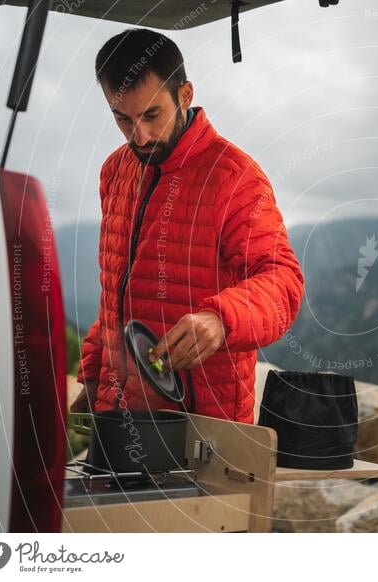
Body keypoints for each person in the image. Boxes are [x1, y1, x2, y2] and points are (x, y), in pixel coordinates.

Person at [70, 28, 304, 423]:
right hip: (120, 414)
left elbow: (283, 282)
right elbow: (114, 293)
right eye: (122, 119)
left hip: (206, 425)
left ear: (185, 95)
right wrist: (94, 377)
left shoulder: (235, 176)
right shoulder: (115, 171)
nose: (139, 136)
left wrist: (221, 318)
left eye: (151, 115)